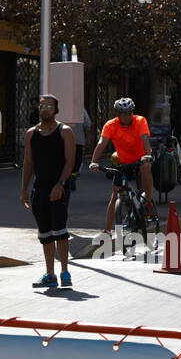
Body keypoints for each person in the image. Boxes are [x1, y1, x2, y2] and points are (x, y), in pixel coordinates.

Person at [21, 94, 76, 290]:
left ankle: (65, 272)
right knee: (45, 232)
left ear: (56, 109)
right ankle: (50, 274)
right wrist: (24, 190)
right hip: (40, 188)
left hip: (59, 187)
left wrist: (60, 184)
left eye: (49, 106)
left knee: (60, 230)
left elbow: (70, 161)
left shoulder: (65, 131)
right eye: (41, 106)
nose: (44, 109)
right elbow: (28, 163)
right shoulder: (31, 133)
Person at [88, 97, 155, 238]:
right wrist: (94, 161)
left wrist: (147, 155)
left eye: (130, 113)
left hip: (141, 159)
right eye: (124, 113)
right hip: (123, 162)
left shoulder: (140, 121)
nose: (127, 116)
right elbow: (102, 143)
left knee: (146, 167)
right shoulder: (110, 125)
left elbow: (144, 139)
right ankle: (107, 231)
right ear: (118, 114)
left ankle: (148, 201)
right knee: (115, 195)